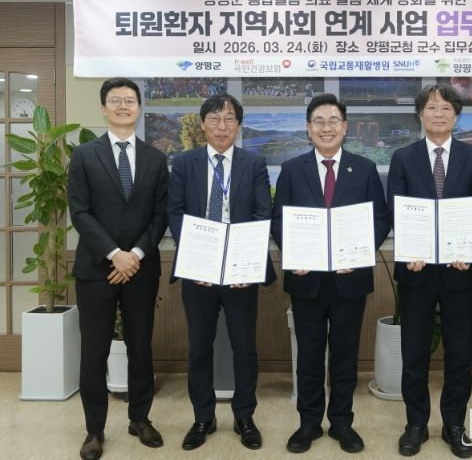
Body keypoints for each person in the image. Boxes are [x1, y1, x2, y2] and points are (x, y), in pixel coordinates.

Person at [271, 93, 390, 454]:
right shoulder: (292, 170)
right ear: (308, 129)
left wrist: (360, 253)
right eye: (319, 121)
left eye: (333, 121)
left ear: (345, 127)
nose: (326, 127)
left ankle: (341, 422)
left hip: (349, 279)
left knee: (345, 355)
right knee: (308, 355)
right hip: (306, 279)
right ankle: (308, 423)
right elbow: (279, 220)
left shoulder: (364, 168)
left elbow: (380, 219)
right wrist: (293, 253)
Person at [167, 93, 276, 452]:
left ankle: (244, 417)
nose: (222, 126)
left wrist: (248, 262)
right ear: (202, 124)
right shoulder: (184, 163)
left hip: (241, 273)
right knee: (199, 347)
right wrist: (196, 259)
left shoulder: (253, 163)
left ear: (238, 125)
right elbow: (175, 212)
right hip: (199, 272)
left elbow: (262, 213)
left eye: (229, 119)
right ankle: (203, 418)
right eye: (214, 119)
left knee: (244, 347)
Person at [387, 84, 472, 458]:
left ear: (456, 116)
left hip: (459, 270)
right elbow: (396, 209)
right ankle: (415, 425)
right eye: (431, 107)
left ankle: (454, 424)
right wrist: (409, 248)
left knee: (460, 353)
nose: (438, 113)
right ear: (420, 115)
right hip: (416, 271)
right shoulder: (403, 157)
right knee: (414, 352)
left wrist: (468, 249)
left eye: (446, 108)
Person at [68, 77, 169, 460]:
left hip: (141, 269)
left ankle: (140, 419)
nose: (123, 106)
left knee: (141, 346)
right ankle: (94, 430)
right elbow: (80, 212)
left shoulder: (156, 158)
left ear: (139, 108)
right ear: (103, 108)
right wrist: (114, 254)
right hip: (96, 269)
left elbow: (160, 215)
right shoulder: (84, 155)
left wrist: (135, 255)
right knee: (94, 350)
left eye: (130, 100)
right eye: (115, 100)